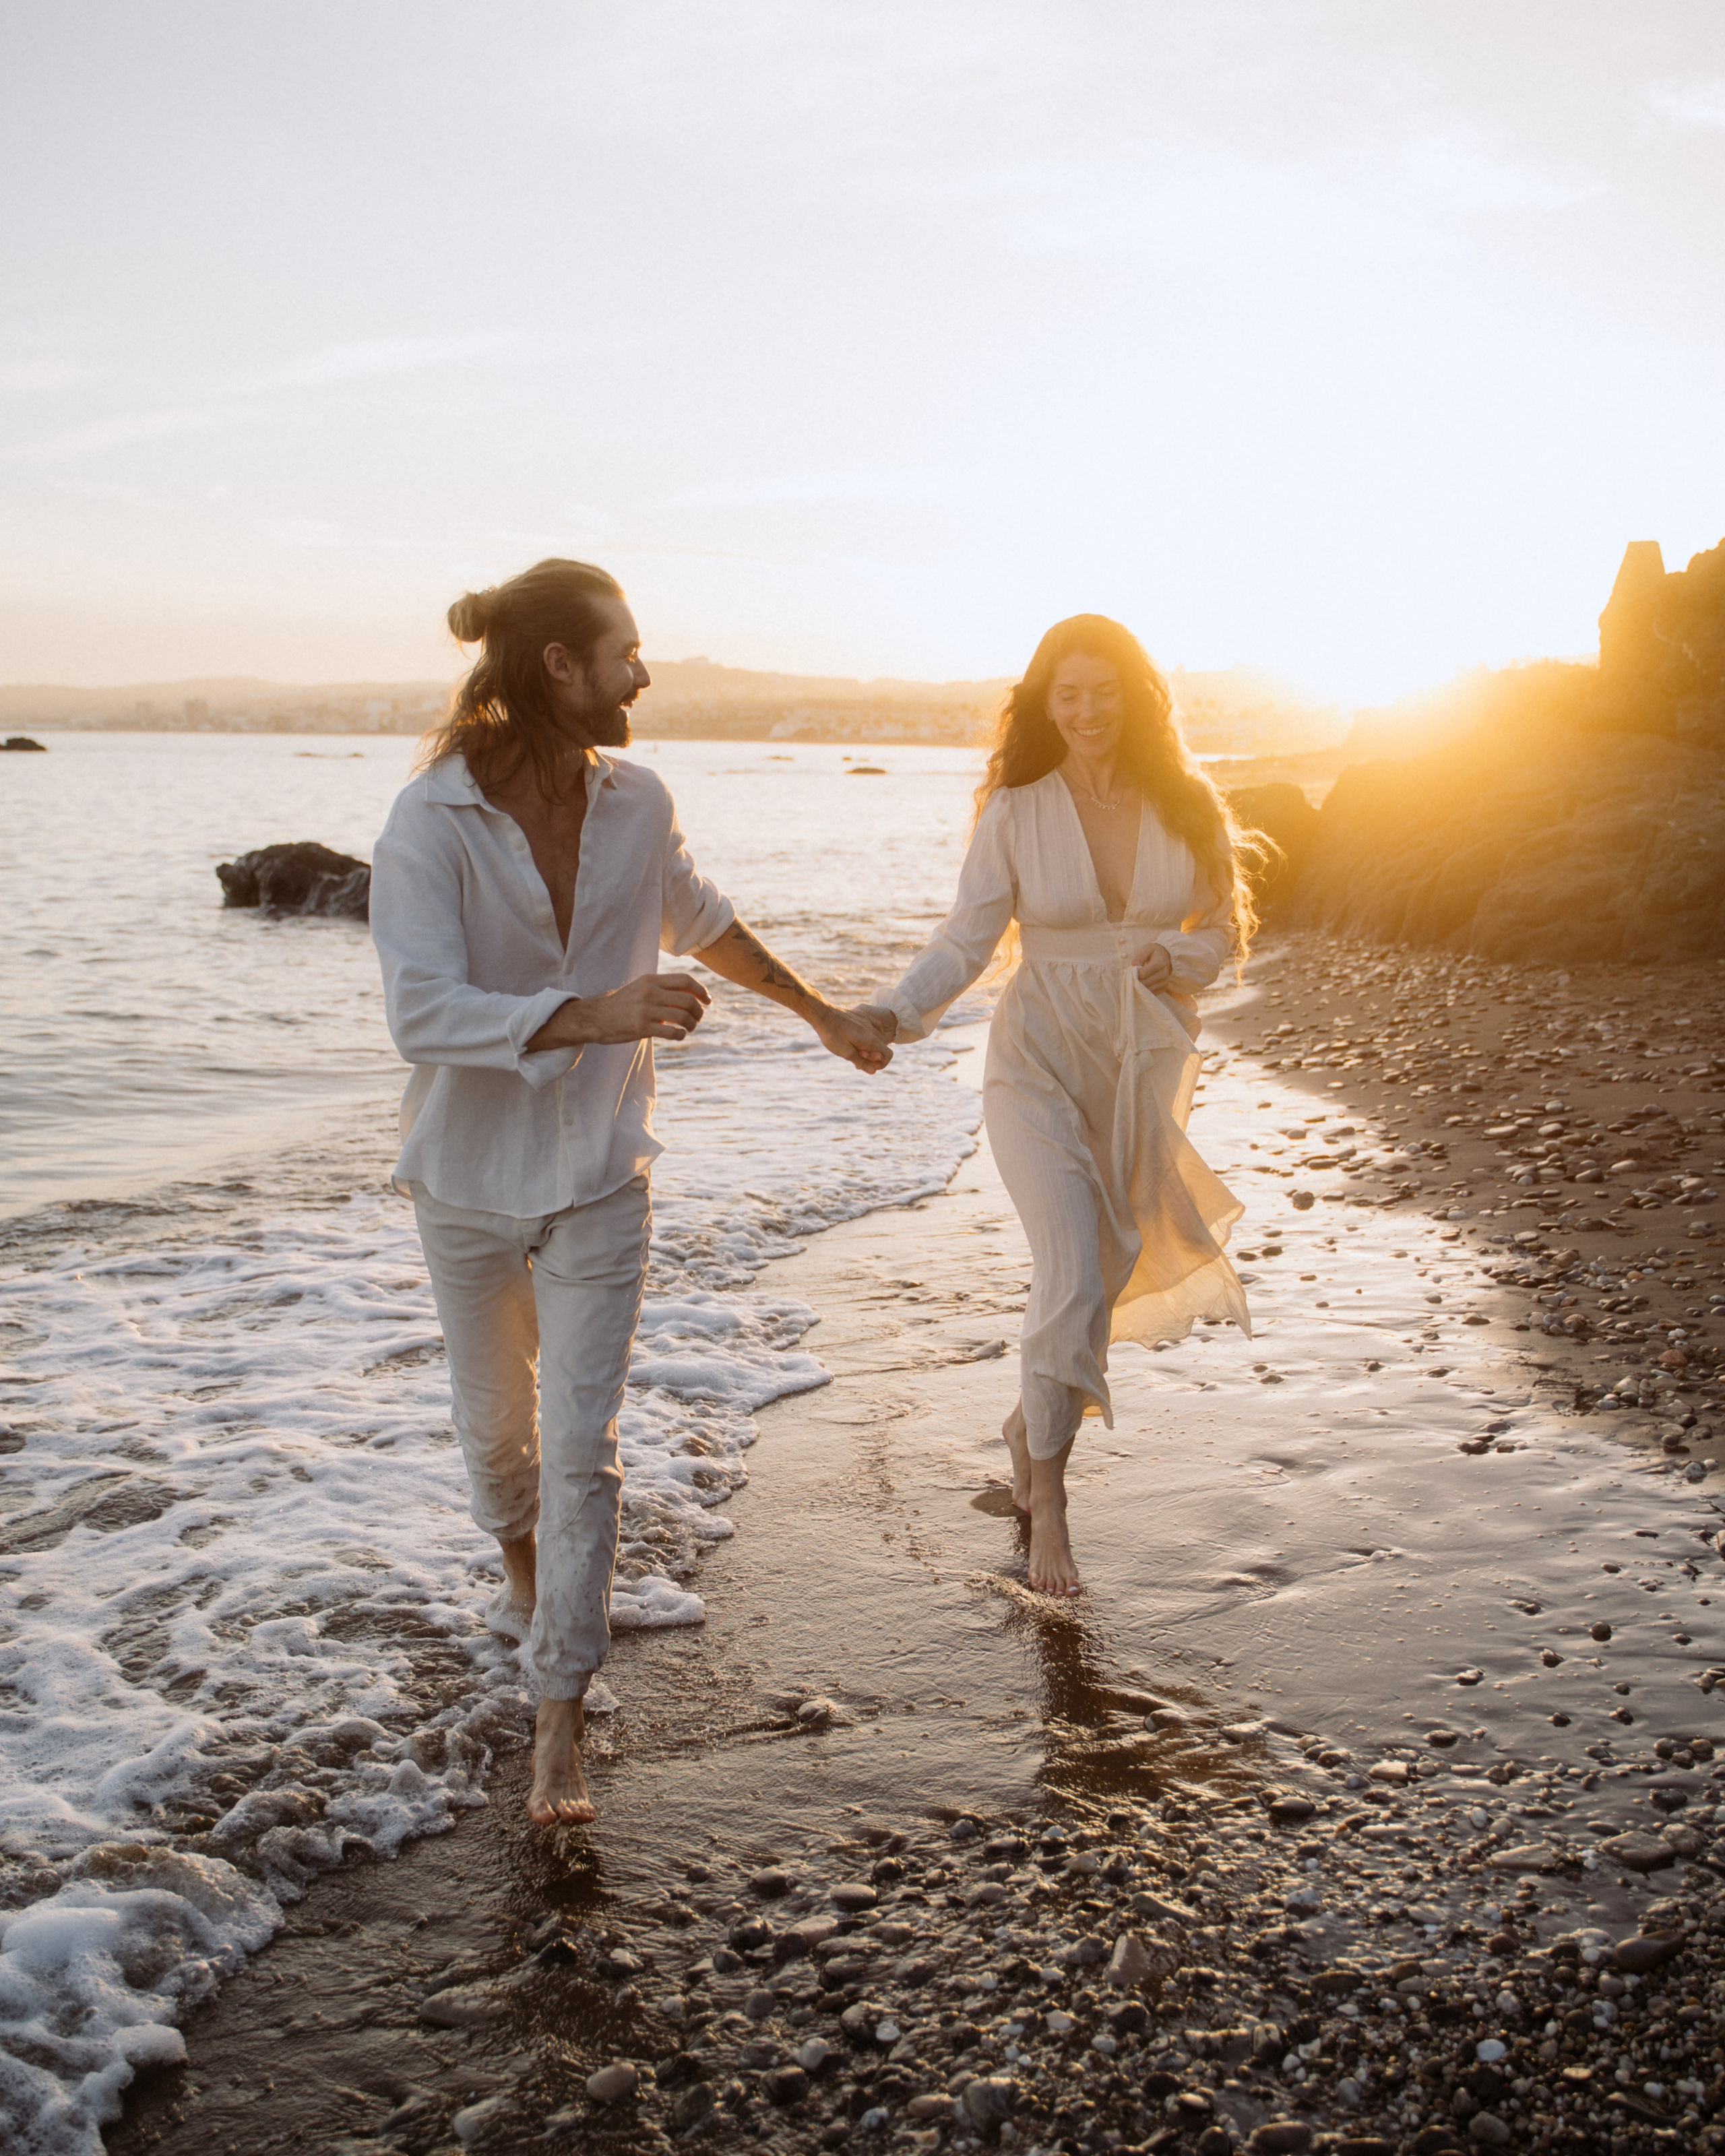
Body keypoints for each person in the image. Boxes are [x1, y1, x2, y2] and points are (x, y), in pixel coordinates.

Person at [370, 558, 890, 1827]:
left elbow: (701, 919)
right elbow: (420, 1011)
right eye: (626, 653)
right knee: (499, 1438)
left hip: (603, 1169)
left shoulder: (641, 800)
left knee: (582, 1446)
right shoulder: (427, 821)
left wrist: (821, 1014)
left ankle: (561, 1718)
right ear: (561, 665)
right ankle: (525, 1578)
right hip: (466, 1179)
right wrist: (597, 1011)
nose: (643, 675)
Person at [857, 615, 1256, 1597]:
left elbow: (1228, 932)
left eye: (1103, 690)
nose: (1085, 711)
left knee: (1106, 1267)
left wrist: (1179, 956)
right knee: (1074, 1269)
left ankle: (1025, 1424)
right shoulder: (1017, 811)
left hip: (1138, 1063)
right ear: (1046, 703)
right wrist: (894, 1013)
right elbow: (965, 941)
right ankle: (1052, 1501)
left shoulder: (1186, 800)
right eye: (1066, 694)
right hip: (1034, 1060)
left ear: (1138, 696)